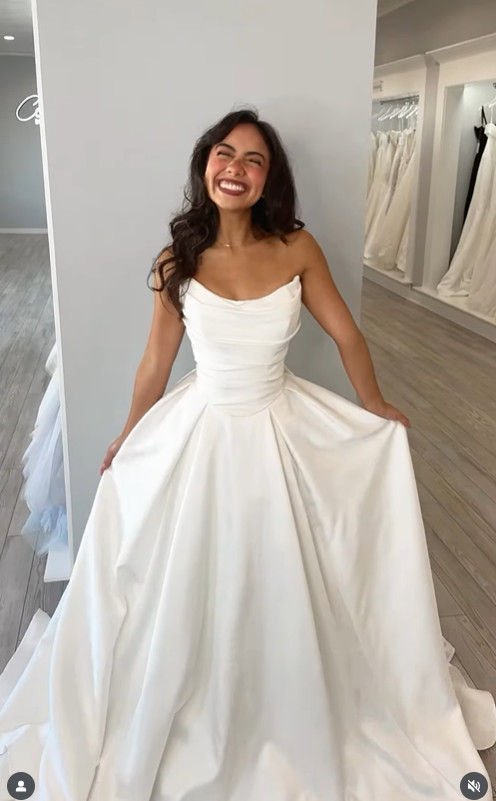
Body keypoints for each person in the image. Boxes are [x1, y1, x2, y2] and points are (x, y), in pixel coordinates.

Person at [0, 108, 494, 801]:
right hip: (202, 426)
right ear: (206, 166)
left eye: (253, 160)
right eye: (224, 154)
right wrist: (128, 433)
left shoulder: (297, 247)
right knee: (191, 569)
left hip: (281, 421)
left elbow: (347, 334)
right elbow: (154, 363)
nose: (236, 168)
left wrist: (375, 403)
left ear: (268, 180)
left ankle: (294, 693)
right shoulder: (177, 259)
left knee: (291, 565)